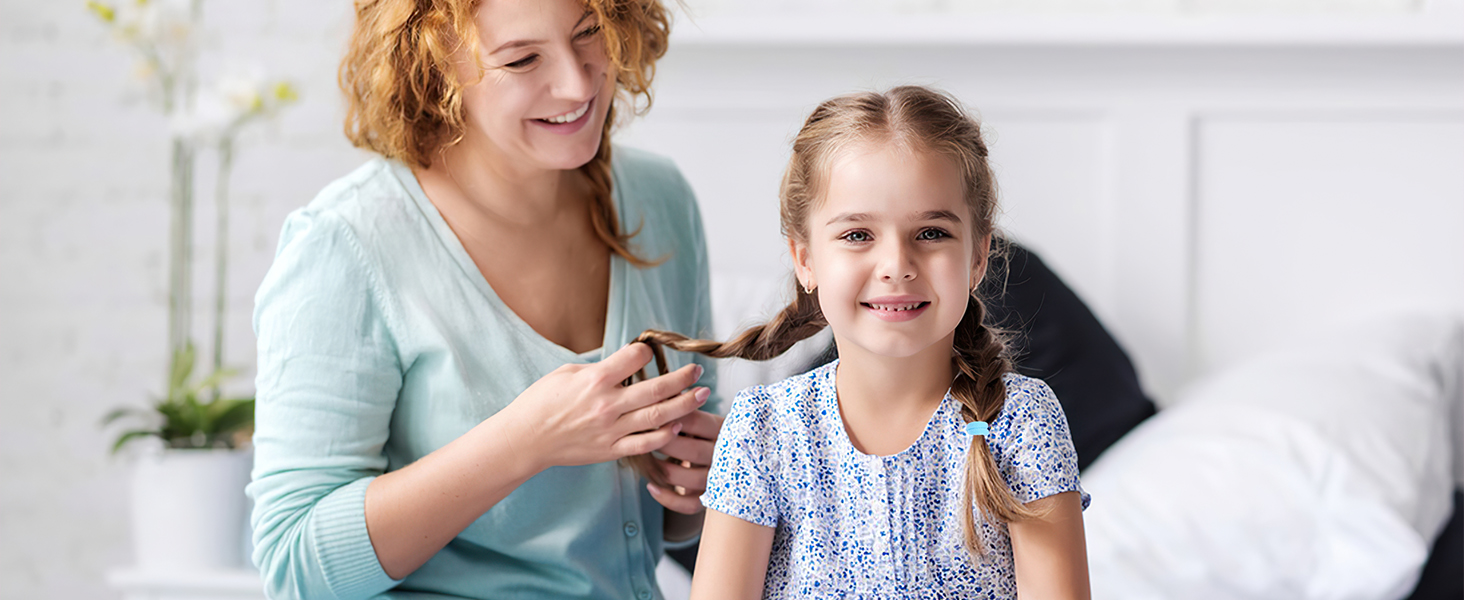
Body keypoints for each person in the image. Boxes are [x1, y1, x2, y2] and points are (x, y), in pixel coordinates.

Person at [247, 0, 722, 598]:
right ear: (432, 66)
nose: (577, 82)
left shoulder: (661, 199)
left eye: (589, 34)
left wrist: (696, 482)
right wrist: (525, 441)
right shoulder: (347, 245)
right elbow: (295, 567)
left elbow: (674, 524)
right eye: (522, 60)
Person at [637, 86, 1091, 598]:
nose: (896, 265)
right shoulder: (762, 431)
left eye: (932, 233)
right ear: (805, 259)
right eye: (857, 235)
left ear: (979, 256)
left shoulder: (1024, 422)